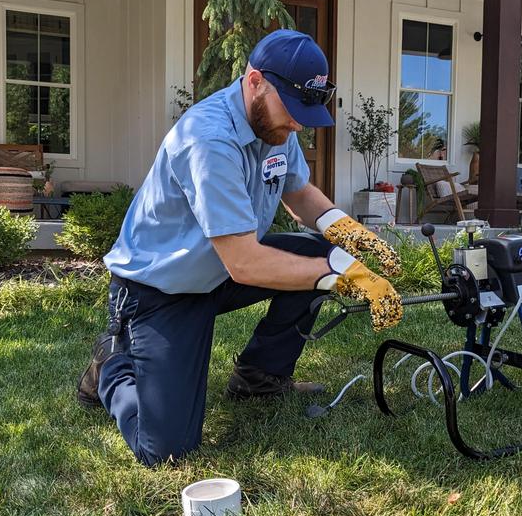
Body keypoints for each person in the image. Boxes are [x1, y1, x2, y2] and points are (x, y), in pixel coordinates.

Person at [76, 30, 404, 467]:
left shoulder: (275, 128)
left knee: (315, 254)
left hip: (218, 269)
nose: (298, 125)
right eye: (291, 110)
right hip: (160, 290)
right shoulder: (208, 139)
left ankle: (259, 377)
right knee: (168, 450)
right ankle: (111, 366)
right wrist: (341, 272)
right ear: (254, 82)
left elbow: (298, 191)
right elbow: (246, 262)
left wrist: (349, 235)